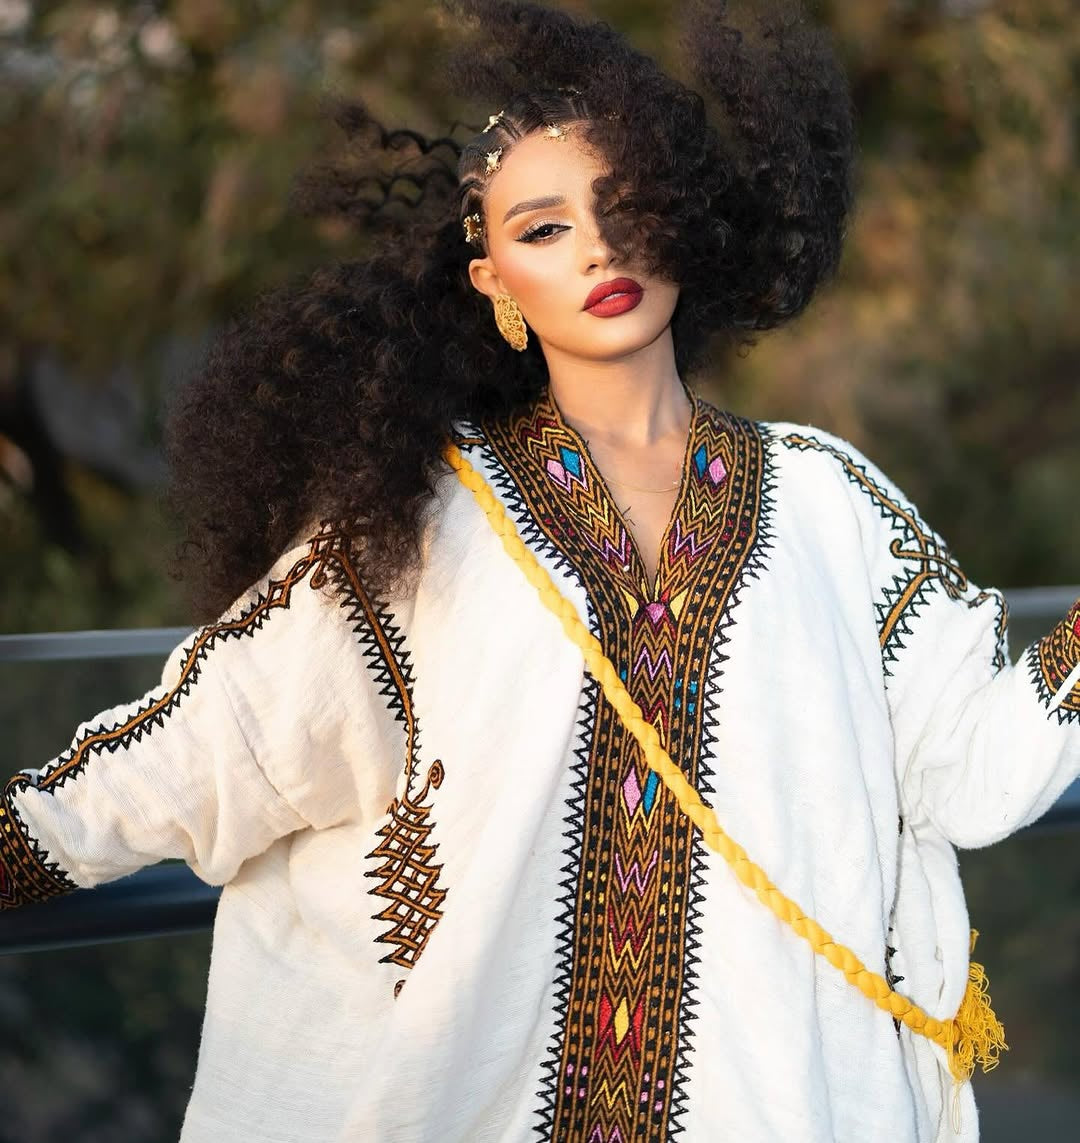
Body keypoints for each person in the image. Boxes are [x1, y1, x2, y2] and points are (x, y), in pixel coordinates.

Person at [2, 1, 1078, 1140]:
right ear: (493, 282)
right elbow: (218, 744)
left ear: (684, 219)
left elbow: (974, 770)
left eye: (625, 204)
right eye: (544, 227)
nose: (600, 246)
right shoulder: (417, 522)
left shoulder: (831, 499)